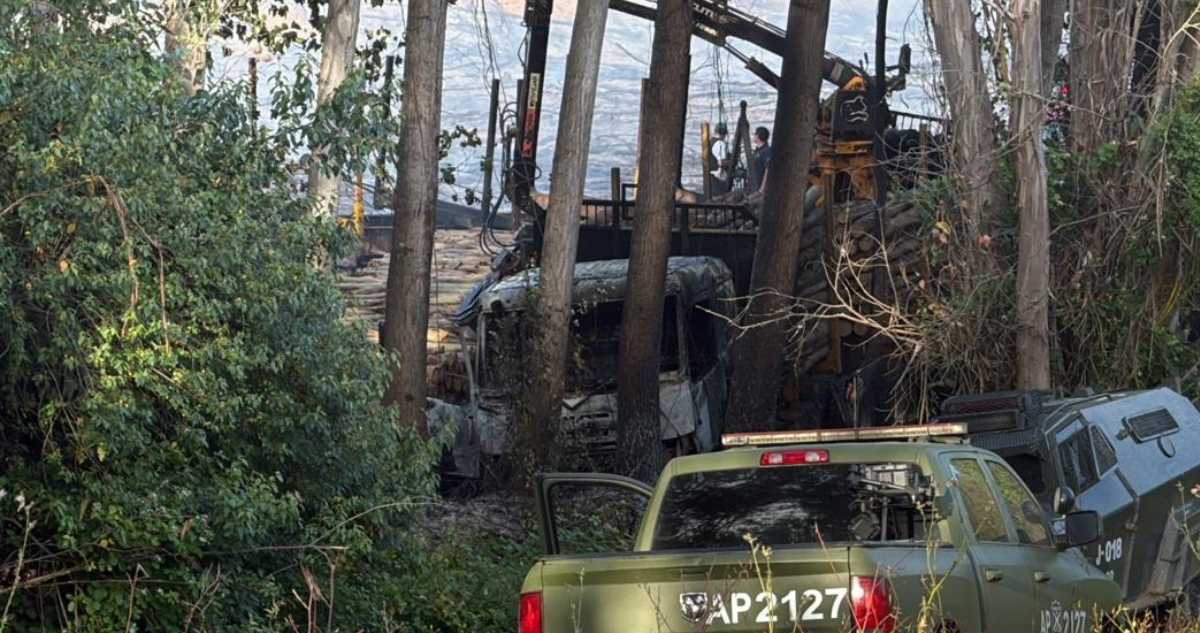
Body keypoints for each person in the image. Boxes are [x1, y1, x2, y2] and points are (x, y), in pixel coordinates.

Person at [708, 122, 731, 195]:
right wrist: (732, 162)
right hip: (718, 178)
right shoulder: (720, 143)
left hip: (712, 177)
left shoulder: (711, 141)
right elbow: (721, 162)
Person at [752, 126, 771, 195]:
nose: (754, 136)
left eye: (755, 134)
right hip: (753, 187)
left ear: (757, 136)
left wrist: (762, 189)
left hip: (760, 189)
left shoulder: (767, 151)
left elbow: (768, 170)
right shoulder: (757, 151)